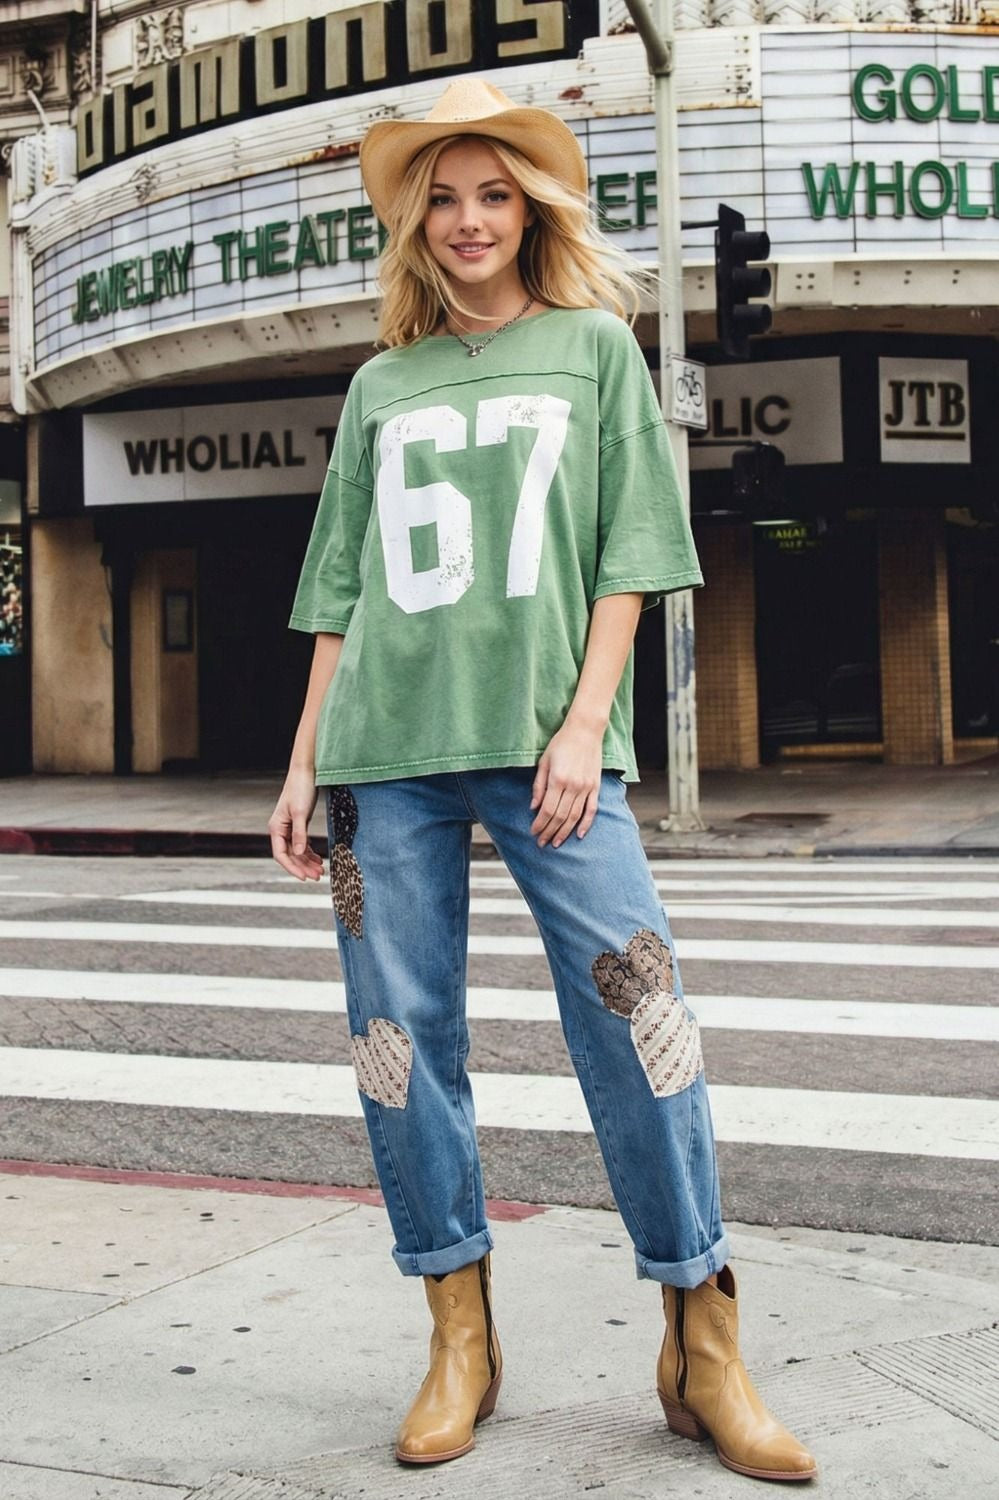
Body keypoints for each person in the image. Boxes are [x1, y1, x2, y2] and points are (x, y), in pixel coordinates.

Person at [268, 77, 817, 1484]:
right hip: (384, 762)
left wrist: (585, 728)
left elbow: (636, 554)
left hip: (548, 753)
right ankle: (460, 1335)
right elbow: (342, 588)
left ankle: (703, 1337)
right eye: (441, 198)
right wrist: (301, 759)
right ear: (415, 223)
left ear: (534, 209)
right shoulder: (379, 384)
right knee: (399, 1049)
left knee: (647, 1027)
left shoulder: (591, 353)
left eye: (493, 194)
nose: (466, 221)